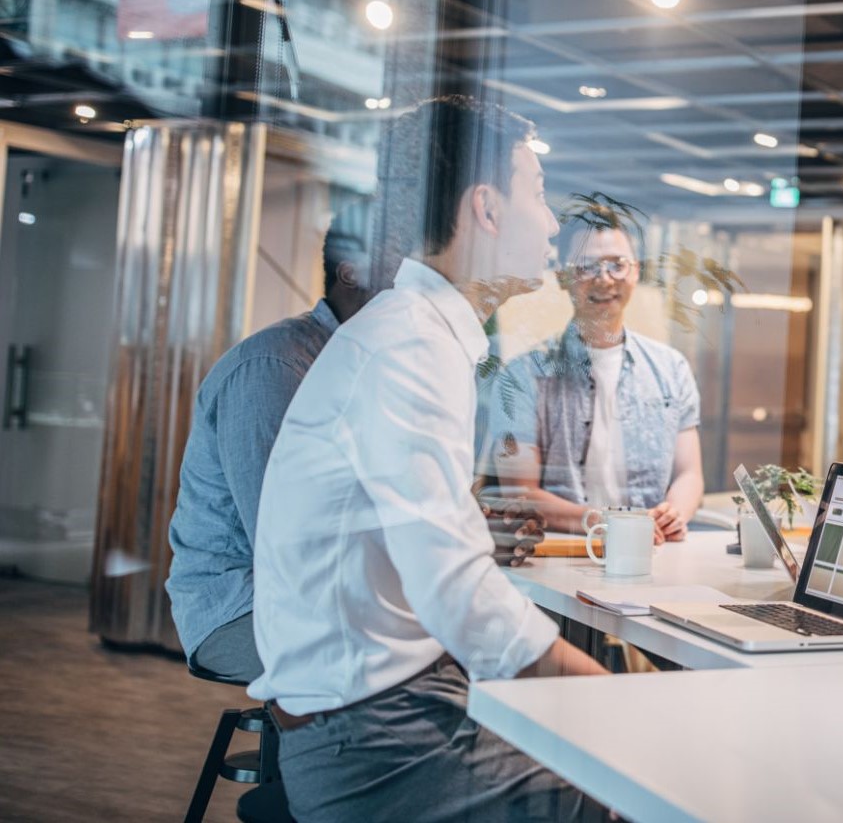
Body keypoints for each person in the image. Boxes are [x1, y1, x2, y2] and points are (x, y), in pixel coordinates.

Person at [250, 96, 608, 823]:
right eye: (537, 195)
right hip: (372, 739)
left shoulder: (414, 332)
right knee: (623, 789)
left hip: (377, 712)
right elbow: (458, 593)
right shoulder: (411, 343)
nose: (550, 222)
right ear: (486, 208)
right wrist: (611, 694)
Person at [166, 203, 381, 681]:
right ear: (353, 271)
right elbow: (284, 536)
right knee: (426, 667)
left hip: (322, 596)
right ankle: (319, 756)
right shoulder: (274, 367)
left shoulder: (363, 368)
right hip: (242, 606)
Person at [478, 209, 703, 544]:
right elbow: (519, 491)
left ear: (635, 271)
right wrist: (606, 523)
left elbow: (690, 473)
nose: (604, 278)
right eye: (586, 266)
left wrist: (674, 513)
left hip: (652, 552)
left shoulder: (671, 369)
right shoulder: (522, 376)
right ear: (563, 277)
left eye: (617, 264)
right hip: (563, 553)